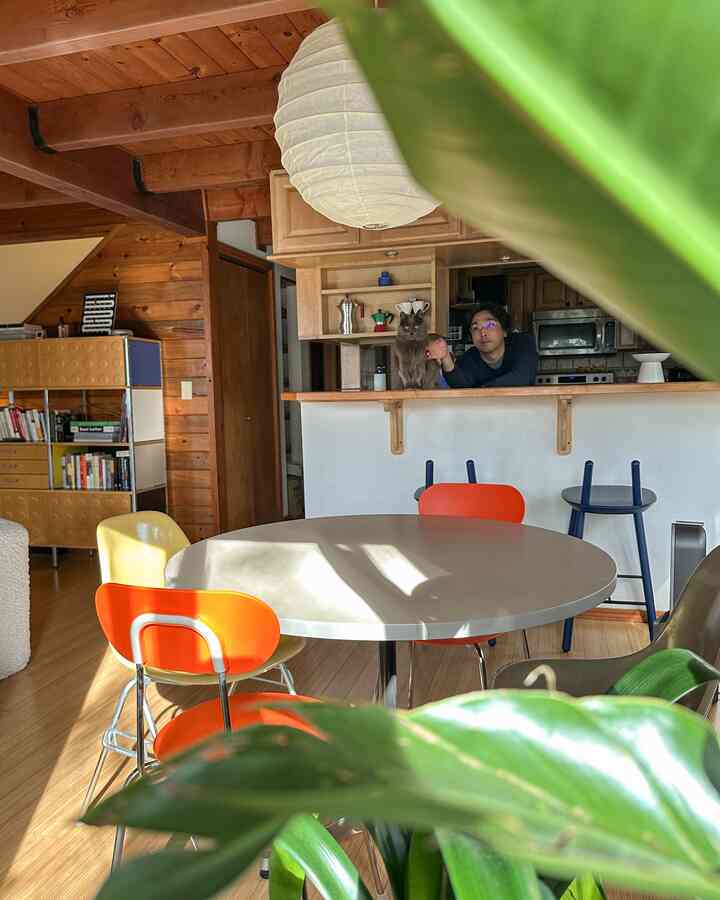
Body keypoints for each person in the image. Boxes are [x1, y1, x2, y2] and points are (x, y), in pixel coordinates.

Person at [426, 303, 537, 388]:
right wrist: (445, 358)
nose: (482, 332)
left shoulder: (522, 343)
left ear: (504, 331)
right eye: (475, 328)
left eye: (490, 324)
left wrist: (478, 391)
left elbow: (522, 377)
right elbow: (460, 385)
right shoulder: (470, 358)